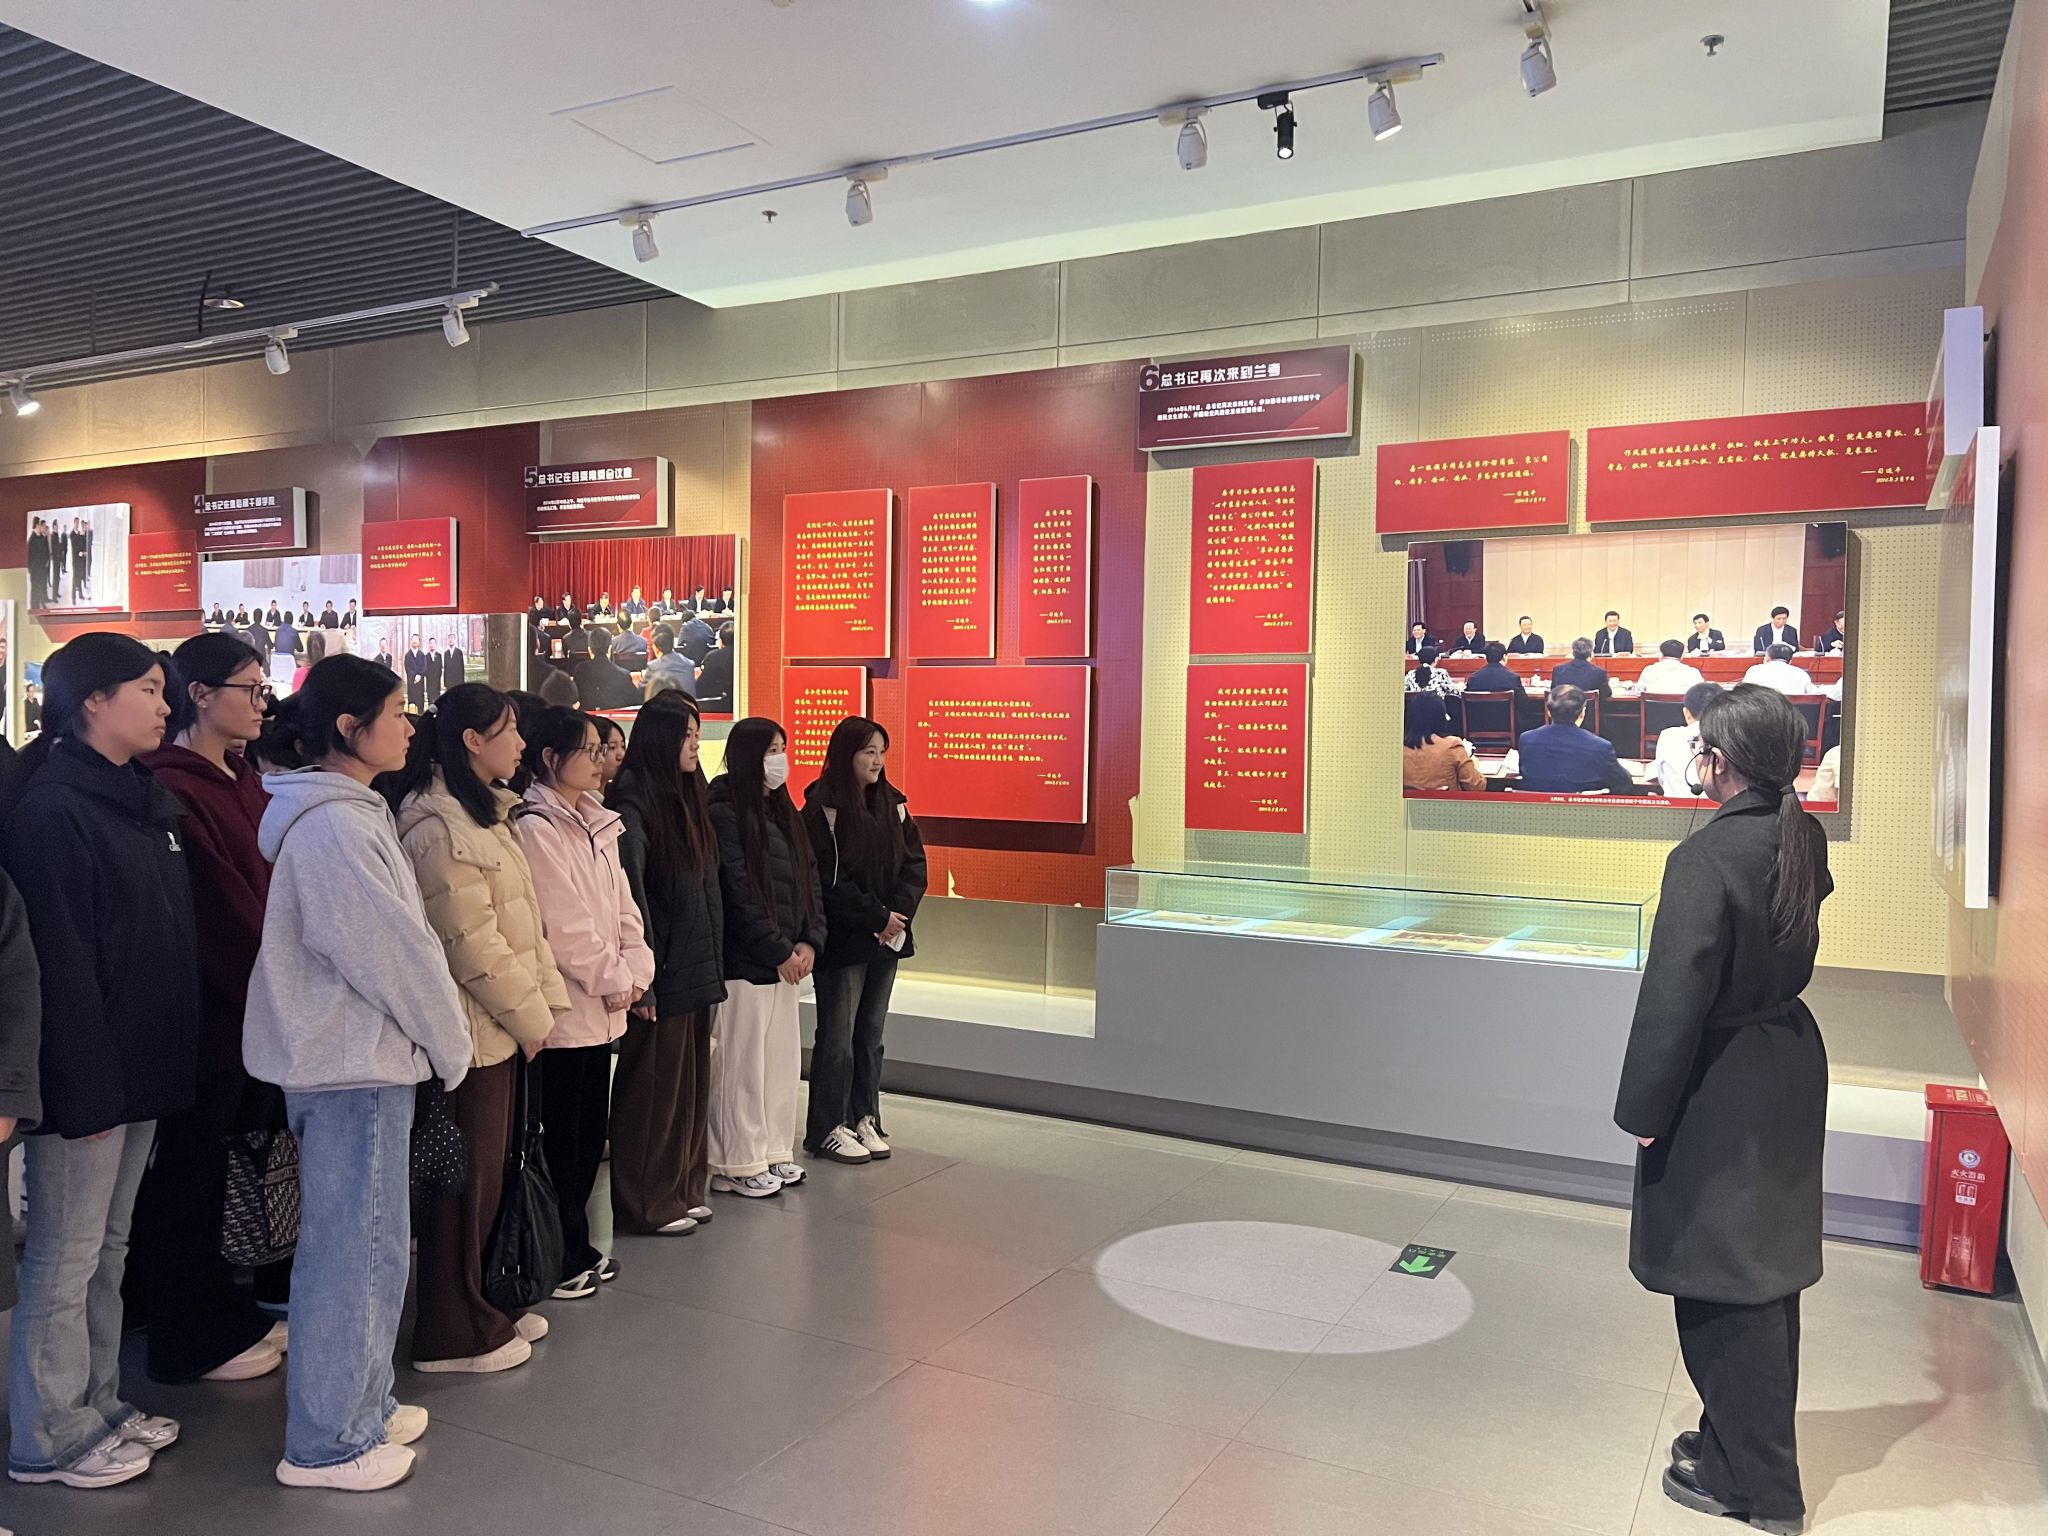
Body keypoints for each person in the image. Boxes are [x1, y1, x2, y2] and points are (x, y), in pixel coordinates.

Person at [243, 654, 471, 1492]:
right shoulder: (335, 828)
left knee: (371, 1249)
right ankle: (330, 1441)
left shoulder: (348, 813)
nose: (409, 727)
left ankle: (364, 1405)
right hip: (350, 1065)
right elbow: (391, 954)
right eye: (396, 712)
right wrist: (448, 1043)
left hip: (360, 1061)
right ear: (349, 728)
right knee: (353, 1251)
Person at [1614, 686, 1830, 1535]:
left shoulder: (1705, 858)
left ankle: (1760, 1489)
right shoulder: (1798, 833)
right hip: (1784, 1060)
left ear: (1719, 762)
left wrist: (1643, 1107)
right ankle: (1733, 1443)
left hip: (1720, 1081)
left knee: (1719, 1281)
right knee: (1763, 1270)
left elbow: (1674, 999)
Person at [1, 634, 201, 1491]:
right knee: (64, 1255)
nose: (165, 706)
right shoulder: (53, 812)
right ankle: (48, 1435)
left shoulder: (139, 800)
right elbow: (59, 969)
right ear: (91, 700)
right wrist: (83, 1091)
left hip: (139, 1065)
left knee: (108, 1249)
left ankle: (99, 1403)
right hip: (87, 1078)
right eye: (149, 689)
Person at [389, 685, 569, 1376]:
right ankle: (451, 1329)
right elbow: (470, 943)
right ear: (471, 740)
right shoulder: (436, 825)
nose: (521, 744)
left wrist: (543, 1010)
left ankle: (488, 1299)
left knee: (493, 1179)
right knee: (461, 1192)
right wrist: (531, 1016)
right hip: (469, 1036)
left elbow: (526, 928)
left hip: (505, 1030)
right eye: (509, 731)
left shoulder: (487, 812)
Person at [131, 634, 288, 1388]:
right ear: (199, 693)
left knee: (229, 1167)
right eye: (248, 689)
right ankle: (187, 1326)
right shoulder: (176, 787)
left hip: (257, 1009)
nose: (261, 704)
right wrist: (274, 985)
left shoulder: (241, 778)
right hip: (216, 1013)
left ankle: (219, 1306)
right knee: (192, 1172)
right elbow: (224, 914)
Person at [515, 708, 653, 1298]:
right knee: (562, 1141)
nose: (601, 761)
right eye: (589, 750)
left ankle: (577, 1242)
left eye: (602, 749)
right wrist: (615, 978)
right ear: (551, 758)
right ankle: (559, 1252)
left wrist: (637, 969)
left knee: (589, 1134)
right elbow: (563, 926)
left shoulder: (599, 822)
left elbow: (625, 910)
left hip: (605, 1009)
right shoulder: (535, 826)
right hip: (566, 1011)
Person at [609, 695, 724, 1235]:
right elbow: (633, 897)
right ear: (660, 740)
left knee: (689, 1089)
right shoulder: (635, 802)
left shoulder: (688, 795)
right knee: (653, 1090)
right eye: (687, 736)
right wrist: (645, 982)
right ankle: (646, 1202)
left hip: (695, 964)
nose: (695, 746)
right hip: (662, 968)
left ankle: (681, 1187)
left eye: (697, 735)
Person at [706, 718, 824, 1198]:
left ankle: (774, 1150)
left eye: (782, 748)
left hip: (787, 964)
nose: (780, 759)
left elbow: (809, 879)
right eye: (771, 750)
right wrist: (777, 949)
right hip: (747, 963)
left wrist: (810, 940)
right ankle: (735, 1160)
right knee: (741, 1066)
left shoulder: (783, 809)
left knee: (779, 1064)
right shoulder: (724, 809)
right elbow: (738, 891)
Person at [801, 718, 927, 1163]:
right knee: (837, 1036)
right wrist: (876, 916)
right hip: (844, 940)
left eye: (881, 752)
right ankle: (827, 1127)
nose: (877, 761)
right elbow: (826, 880)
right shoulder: (823, 808)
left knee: (870, 1034)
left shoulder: (894, 805)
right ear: (846, 755)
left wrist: (897, 916)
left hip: (886, 938)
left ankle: (864, 1116)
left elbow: (915, 866)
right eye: (868, 752)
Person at [1518, 686, 1636, 795]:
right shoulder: (1600, 747)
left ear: (1548, 711)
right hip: (1584, 809)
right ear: (1583, 713)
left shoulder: (1526, 740)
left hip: (1535, 808)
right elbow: (1624, 783)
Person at [1402, 692, 1484, 794]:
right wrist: (1473, 763)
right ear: (1441, 718)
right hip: (1448, 804)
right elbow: (1477, 787)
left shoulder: (1397, 749)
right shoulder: (1452, 746)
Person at [1653, 682, 1722, 799]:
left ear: (1686, 713)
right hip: (1720, 808)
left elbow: (1662, 780)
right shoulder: (1732, 738)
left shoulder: (1668, 736)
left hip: (1674, 808)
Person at [572, 634, 641, 711]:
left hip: (586, 717)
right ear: (609, 649)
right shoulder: (624, 675)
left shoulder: (580, 670)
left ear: (590, 650)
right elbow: (636, 701)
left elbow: (574, 698)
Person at [1640, 640, 1707, 696]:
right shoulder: (1693, 673)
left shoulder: (1648, 670)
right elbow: (1702, 694)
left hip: (1652, 708)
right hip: (1683, 708)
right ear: (1682, 656)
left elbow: (1639, 691)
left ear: (1661, 655)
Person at [643, 624, 694, 698]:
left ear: (656, 647)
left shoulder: (653, 667)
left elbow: (640, 693)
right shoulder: (689, 664)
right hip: (688, 705)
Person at [695, 624, 736, 713]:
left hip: (714, 708)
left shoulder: (712, 657)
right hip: (735, 707)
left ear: (721, 641)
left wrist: (698, 676)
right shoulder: (744, 657)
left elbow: (700, 690)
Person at [1744, 645, 1814, 695]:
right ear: (1790, 661)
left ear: (1767, 658)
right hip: (1791, 710)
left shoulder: (1754, 670)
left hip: (1760, 710)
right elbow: (1813, 694)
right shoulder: (1801, 673)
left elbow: (1743, 692)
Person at [403, 636, 429, 710]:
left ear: (419, 643)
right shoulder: (407, 655)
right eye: (413, 639)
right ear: (411, 641)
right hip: (411, 683)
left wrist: (419, 675)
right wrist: (414, 676)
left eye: (416, 640)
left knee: (420, 706)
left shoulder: (422, 654)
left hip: (420, 684)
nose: (415, 641)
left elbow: (424, 667)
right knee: (412, 706)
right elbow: (407, 668)